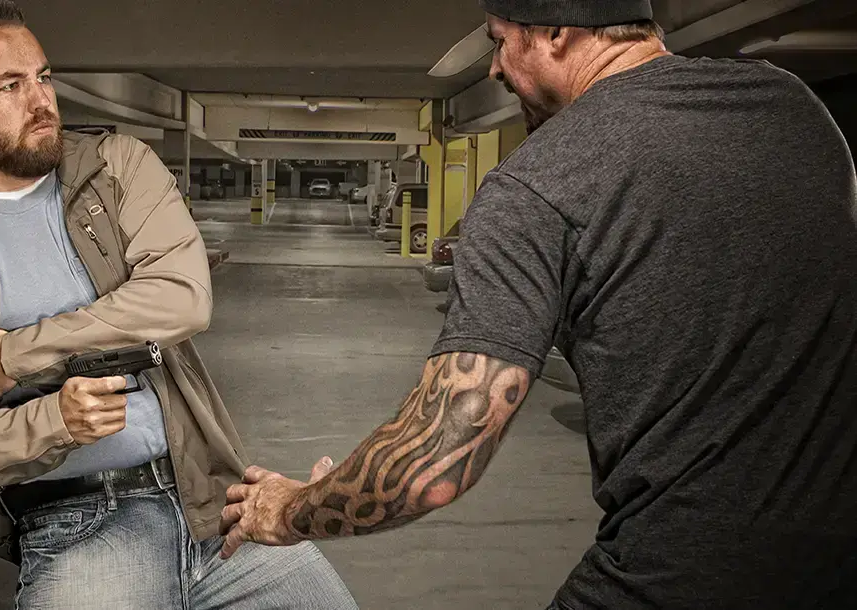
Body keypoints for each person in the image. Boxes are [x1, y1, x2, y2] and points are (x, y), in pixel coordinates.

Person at [219, 0, 857, 608]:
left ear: (556, 32)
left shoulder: (536, 185)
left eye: (500, 41)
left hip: (683, 574)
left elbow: (434, 457)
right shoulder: (790, 105)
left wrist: (290, 509)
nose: (493, 69)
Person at [0, 2, 357, 608]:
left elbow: (182, 298)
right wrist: (53, 422)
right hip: (78, 524)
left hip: (209, 499)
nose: (41, 100)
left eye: (44, 77)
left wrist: (14, 355)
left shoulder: (117, 166)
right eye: (10, 86)